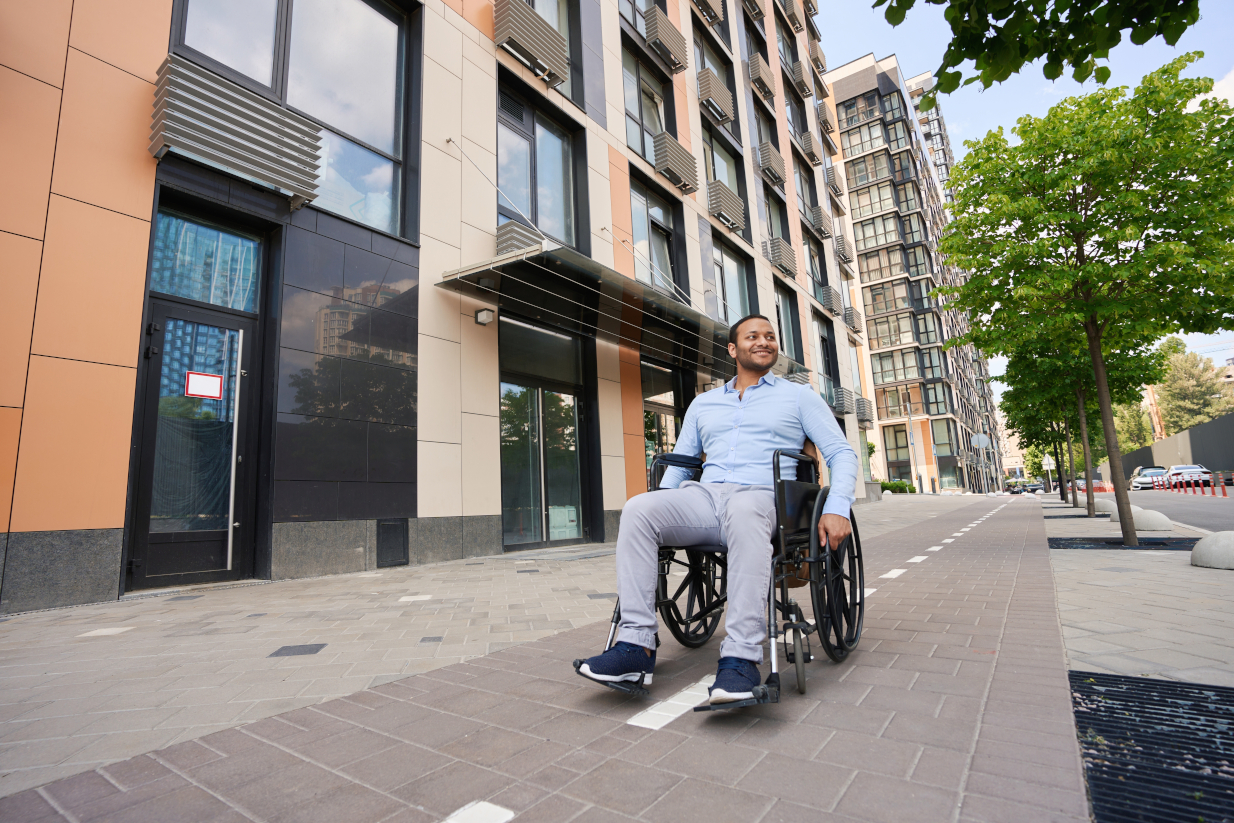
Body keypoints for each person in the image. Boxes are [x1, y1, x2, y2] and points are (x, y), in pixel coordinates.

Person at [576, 314, 860, 704]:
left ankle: (742, 659)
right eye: (752, 336)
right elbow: (683, 462)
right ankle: (635, 647)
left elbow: (841, 453)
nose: (764, 342)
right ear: (732, 349)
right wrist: (663, 504)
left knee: (745, 509)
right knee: (639, 508)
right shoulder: (703, 403)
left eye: (770, 337)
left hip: (766, 496)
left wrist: (839, 506)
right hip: (706, 497)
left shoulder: (799, 397)